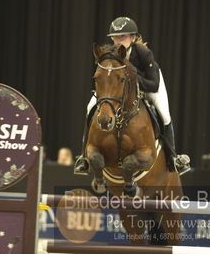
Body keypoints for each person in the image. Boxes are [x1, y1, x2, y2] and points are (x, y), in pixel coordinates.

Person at [74, 17, 190, 175]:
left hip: (148, 84)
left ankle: (174, 158)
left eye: (123, 36)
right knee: (90, 108)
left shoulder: (143, 53)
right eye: (115, 37)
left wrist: (134, 78)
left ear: (133, 37)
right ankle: (83, 158)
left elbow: (153, 84)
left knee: (164, 114)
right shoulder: (110, 53)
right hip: (117, 91)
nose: (118, 40)